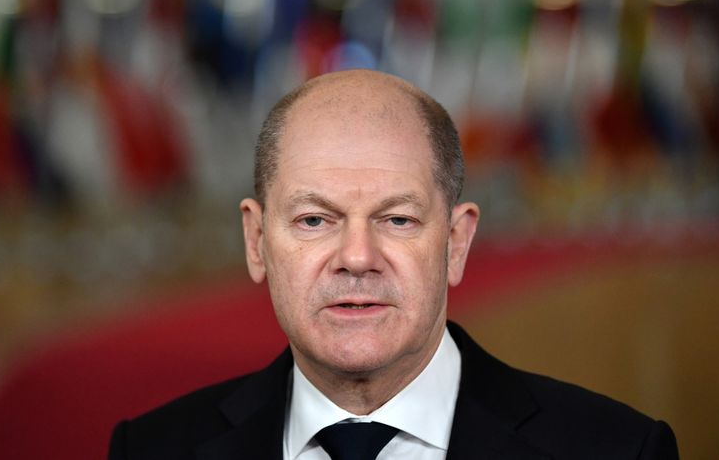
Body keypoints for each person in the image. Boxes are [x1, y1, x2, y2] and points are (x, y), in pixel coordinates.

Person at [108, 69, 679, 459]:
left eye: (397, 220)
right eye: (315, 220)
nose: (357, 257)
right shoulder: (153, 450)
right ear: (256, 241)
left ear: (456, 242)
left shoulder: (618, 450)